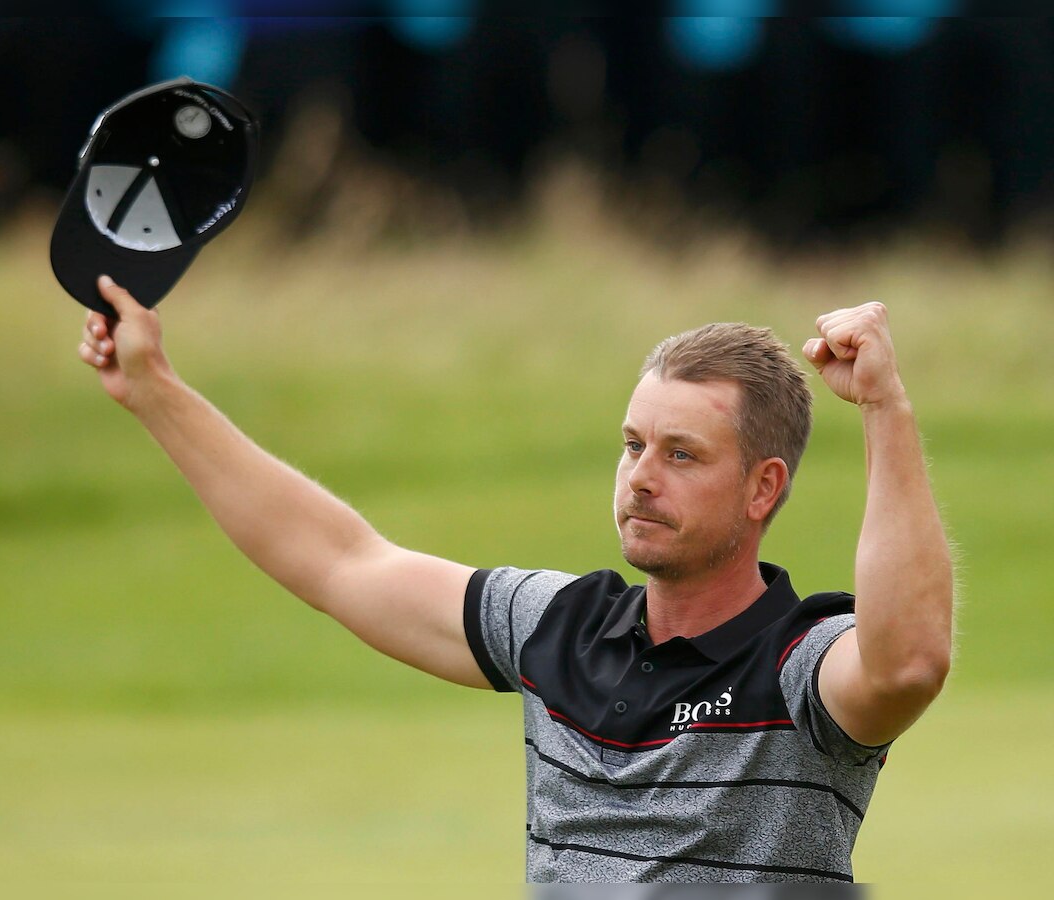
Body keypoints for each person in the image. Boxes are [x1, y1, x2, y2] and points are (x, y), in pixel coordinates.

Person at [77, 275, 952, 884]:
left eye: (682, 454)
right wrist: (154, 389)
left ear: (765, 487)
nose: (641, 476)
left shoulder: (800, 665)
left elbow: (907, 662)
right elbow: (341, 562)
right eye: (632, 444)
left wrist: (885, 408)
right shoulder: (556, 628)